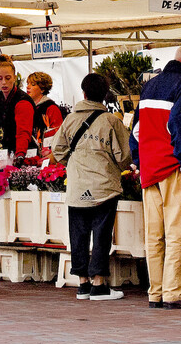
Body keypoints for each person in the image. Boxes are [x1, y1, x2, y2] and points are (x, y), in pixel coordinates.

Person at [130, 43, 181, 309]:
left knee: (154, 235)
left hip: (149, 169)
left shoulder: (150, 86)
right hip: (173, 167)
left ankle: (156, 293)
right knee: (177, 233)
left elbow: (136, 131)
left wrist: (139, 161)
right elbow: (180, 124)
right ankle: (175, 293)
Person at [51, 72, 131, 301]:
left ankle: (82, 283)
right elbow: (124, 155)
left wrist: (74, 163)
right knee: (102, 234)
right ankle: (99, 283)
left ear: (83, 93)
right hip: (104, 186)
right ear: (104, 95)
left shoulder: (70, 120)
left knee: (78, 233)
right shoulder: (111, 121)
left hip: (77, 186)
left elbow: (57, 150)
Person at [26, 71, 64, 153]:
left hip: (46, 154)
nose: (27, 87)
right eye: (27, 83)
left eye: (32, 84)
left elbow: (57, 135)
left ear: (42, 89)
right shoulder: (27, 107)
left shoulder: (51, 108)